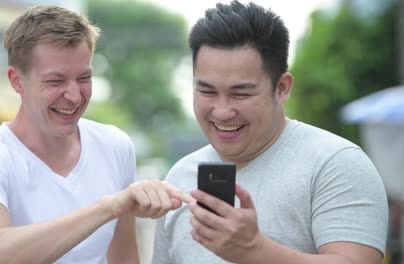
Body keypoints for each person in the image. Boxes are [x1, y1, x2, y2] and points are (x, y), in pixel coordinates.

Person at [0, 5, 192, 264]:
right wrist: (109, 208)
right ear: (16, 81)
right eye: (55, 81)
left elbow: (124, 257)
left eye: (84, 78)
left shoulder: (115, 146)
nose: (74, 95)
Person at [152, 1, 389, 264]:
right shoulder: (181, 175)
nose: (221, 112)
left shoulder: (336, 164)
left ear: (282, 87)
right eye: (207, 91)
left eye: (240, 93)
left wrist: (255, 250)